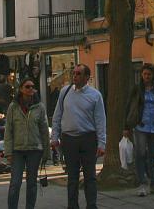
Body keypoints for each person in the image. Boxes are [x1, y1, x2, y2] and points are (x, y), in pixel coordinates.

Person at [51, 63, 106, 209]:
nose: (74, 76)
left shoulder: (95, 95)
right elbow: (57, 115)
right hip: (69, 140)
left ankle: (91, 205)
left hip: (88, 138)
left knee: (90, 176)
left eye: (78, 74)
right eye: (74, 73)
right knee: (72, 177)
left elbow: (100, 120)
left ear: (87, 77)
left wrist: (102, 143)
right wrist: (54, 137)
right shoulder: (65, 92)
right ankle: (72, 205)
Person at [4, 77, 50, 209]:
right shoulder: (13, 107)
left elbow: (44, 131)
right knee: (15, 183)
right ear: (21, 90)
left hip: (35, 150)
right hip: (17, 150)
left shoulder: (40, 107)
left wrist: (46, 153)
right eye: (27, 87)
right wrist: (8, 152)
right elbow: (8, 131)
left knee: (32, 183)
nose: (31, 89)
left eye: (32, 87)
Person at [125, 63, 154, 197]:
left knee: (153, 155)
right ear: (141, 75)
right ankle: (142, 183)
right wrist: (126, 127)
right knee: (140, 154)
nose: (147, 77)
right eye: (144, 74)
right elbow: (129, 107)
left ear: (153, 75)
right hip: (141, 126)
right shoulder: (137, 89)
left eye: (149, 74)